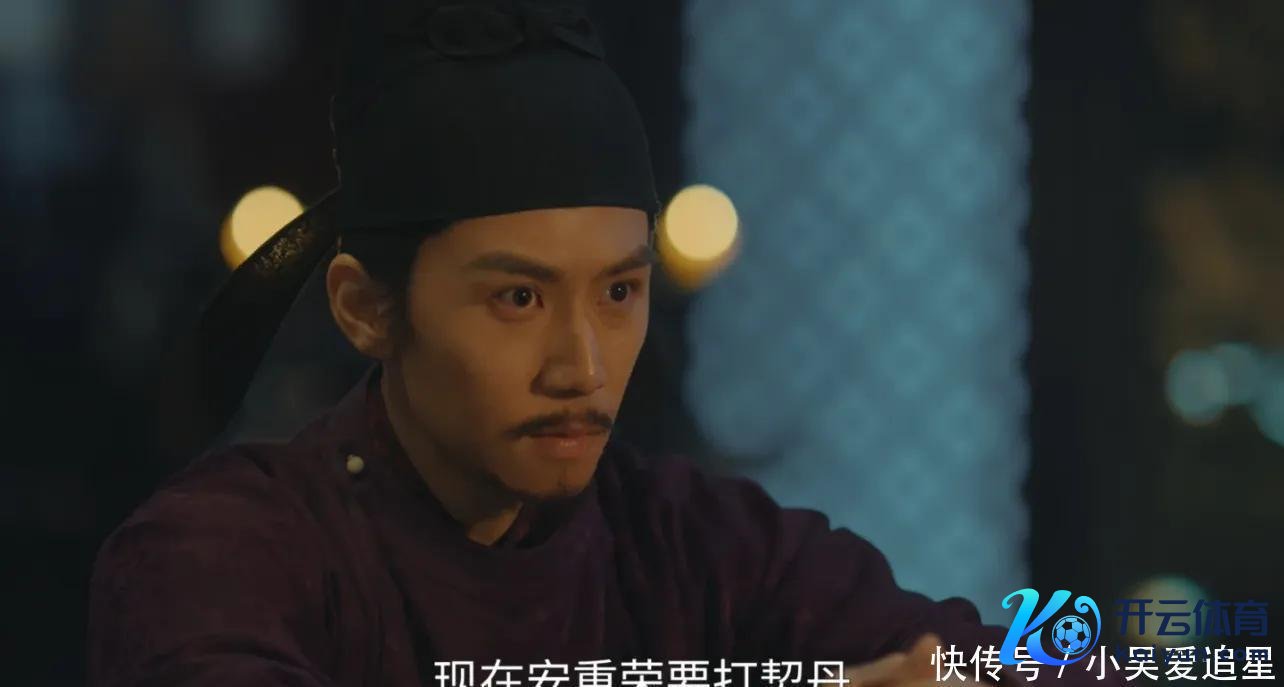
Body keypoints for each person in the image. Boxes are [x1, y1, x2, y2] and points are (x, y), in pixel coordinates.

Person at [87, 1, 1122, 686]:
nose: (581, 366)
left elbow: (1015, 660)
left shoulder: (695, 546)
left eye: (620, 291)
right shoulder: (224, 552)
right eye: (518, 299)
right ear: (365, 307)